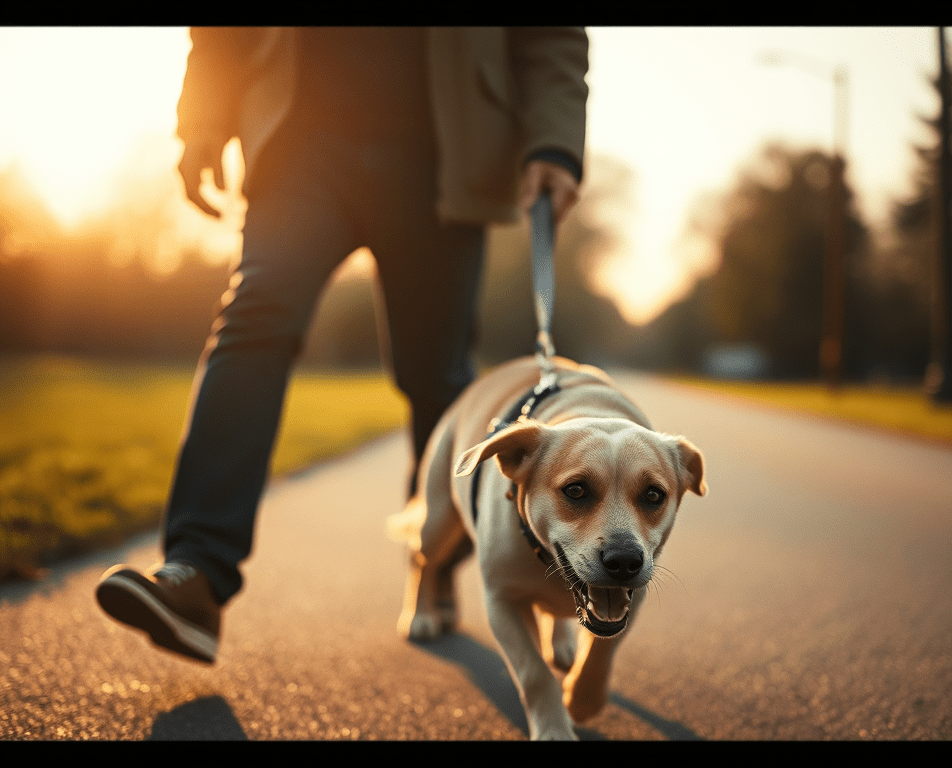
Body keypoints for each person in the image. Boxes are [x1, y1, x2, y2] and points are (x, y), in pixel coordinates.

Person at [95, 27, 588, 664]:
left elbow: (550, 33)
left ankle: (432, 557)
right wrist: (201, 117)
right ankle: (197, 571)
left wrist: (554, 138)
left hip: (442, 147)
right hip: (299, 138)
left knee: (436, 375)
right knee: (253, 321)